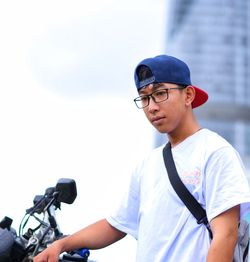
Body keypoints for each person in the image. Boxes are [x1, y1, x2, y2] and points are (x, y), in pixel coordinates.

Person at [34, 55, 250, 262]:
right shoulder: (148, 165)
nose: (152, 106)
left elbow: (226, 235)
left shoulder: (214, 152)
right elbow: (116, 225)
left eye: (160, 93)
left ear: (188, 96)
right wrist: (61, 244)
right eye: (145, 98)